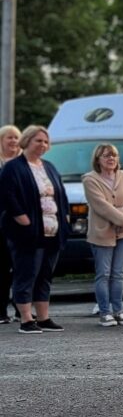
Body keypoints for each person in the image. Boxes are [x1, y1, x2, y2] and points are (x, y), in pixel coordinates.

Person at [0, 125, 70, 334]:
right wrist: (24, 220)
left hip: (52, 231)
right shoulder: (14, 167)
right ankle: (26, 319)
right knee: (27, 274)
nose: (43, 145)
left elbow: (61, 194)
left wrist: (64, 218)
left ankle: (43, 317)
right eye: (38, 140)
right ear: (27, 141)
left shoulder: (48, 166)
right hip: (28, 232)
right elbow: (7, 195)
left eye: (46, 142)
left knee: (45, 275)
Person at [82, 143, 123, 328]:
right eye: (106, 155)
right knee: (103, 273)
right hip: (101, 232)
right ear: (98, 159)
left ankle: (118, 311)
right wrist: (122, 218)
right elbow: (100, 205)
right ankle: (105, 312)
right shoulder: (89, 179)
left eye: (114, 155)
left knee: (118, 273)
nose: (111, 159)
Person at [0, 124, 22, 323]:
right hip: (2, 223)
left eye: (16, 137)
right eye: (9, 137)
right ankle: (1, 311)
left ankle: (20, 309)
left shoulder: (27, 164)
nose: (14, 141)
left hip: (22, 224)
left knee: (22, 268)